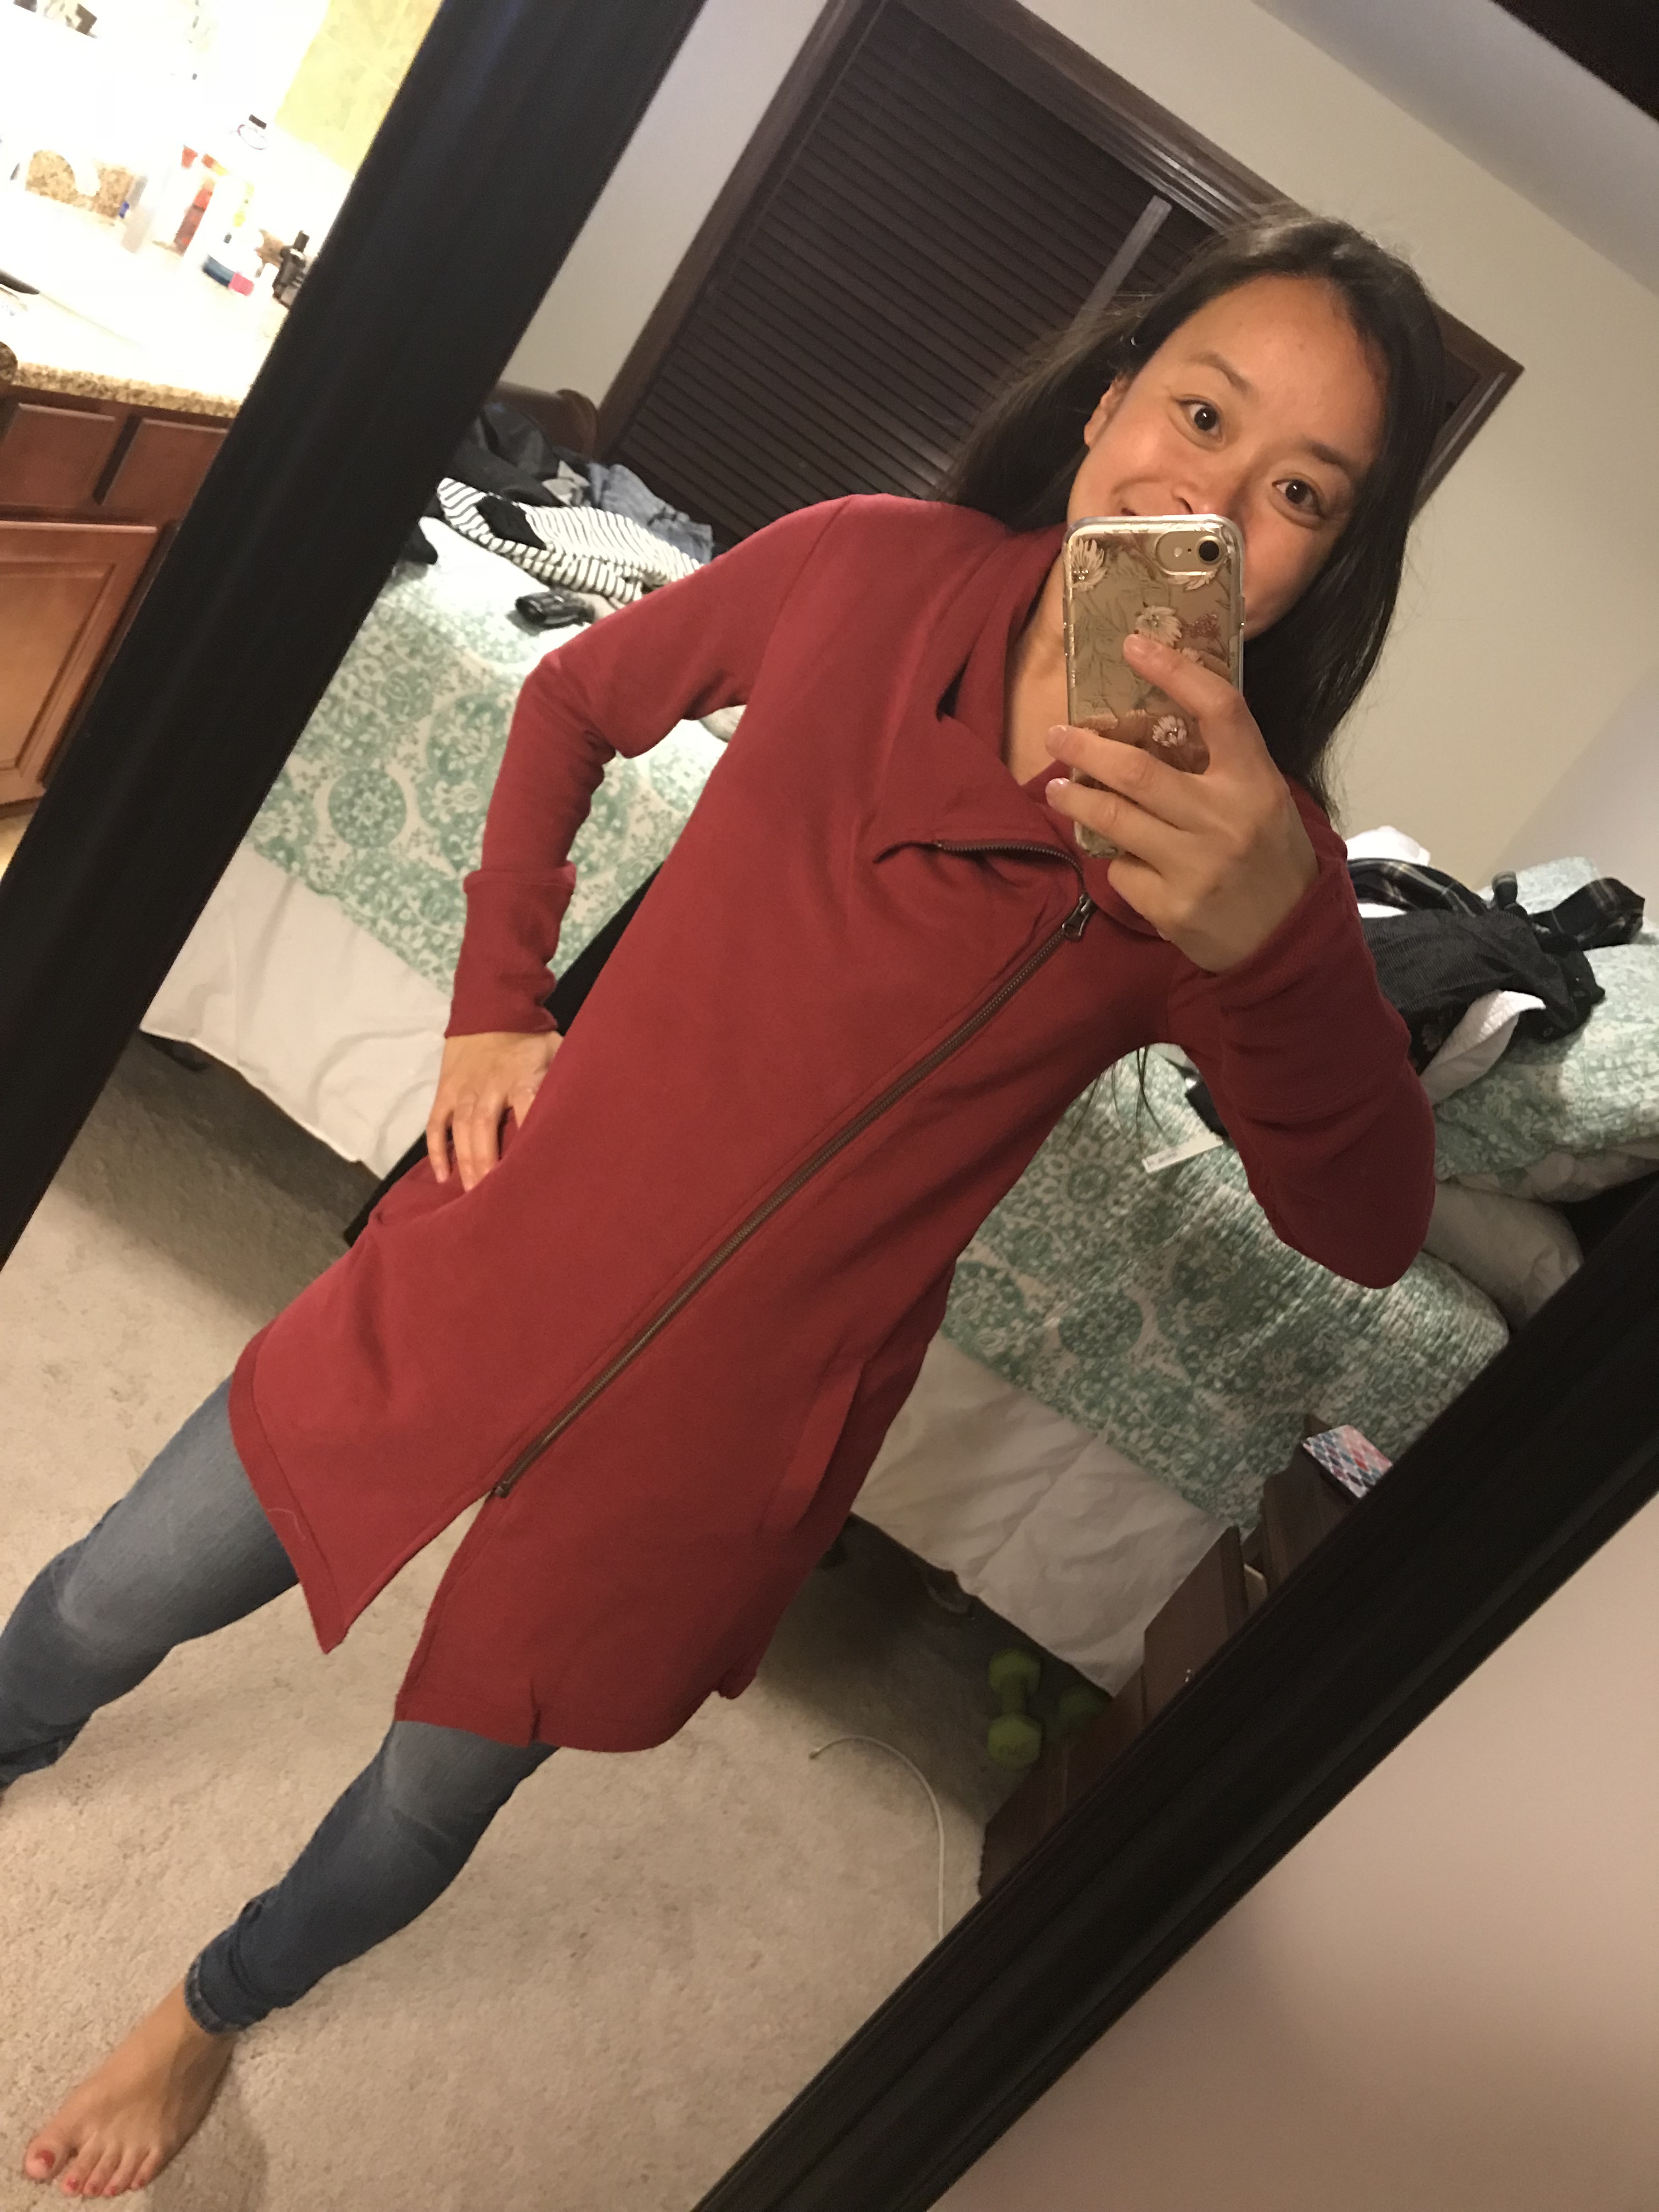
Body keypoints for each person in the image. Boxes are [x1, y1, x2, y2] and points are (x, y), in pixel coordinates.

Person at [7, 210, 1446, 2197]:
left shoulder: (1249, 854)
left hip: (732, 1423)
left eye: (1298, 491)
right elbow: (570, 704)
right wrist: (494, 1007)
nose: (1210, 498)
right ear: (1110, 402)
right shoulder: (866, 566)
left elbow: (1367, 1223)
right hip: (505, 1247)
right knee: (119, 1584)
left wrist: (1283, 938)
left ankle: (208, 2012)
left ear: (1322, 564)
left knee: (432, 1800)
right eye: (1200, 413)